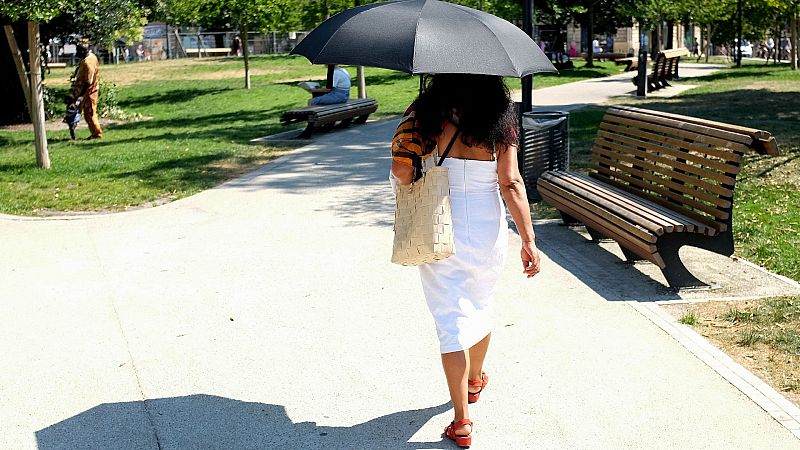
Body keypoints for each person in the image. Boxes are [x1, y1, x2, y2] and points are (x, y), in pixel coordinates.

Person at [390, 74, 541, 448]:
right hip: (488, 227)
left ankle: (461, 421)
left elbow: (401, 171)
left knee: (450, 317)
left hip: (440, 222)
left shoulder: (428, 114)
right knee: (481, 301)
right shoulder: (501, 118)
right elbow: (511, 183)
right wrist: (529, 239)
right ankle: (475, 379)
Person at [70, 41, 102, 140]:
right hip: (84, 90)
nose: (76, 53)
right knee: (78, 111)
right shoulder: (91, 57)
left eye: (78, 51)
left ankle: (97, 134)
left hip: (89, 91)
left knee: (90, 113)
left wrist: (81, 95)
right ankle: (74, 131)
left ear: (84, 51)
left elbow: (88, 81)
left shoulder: (88, 63)